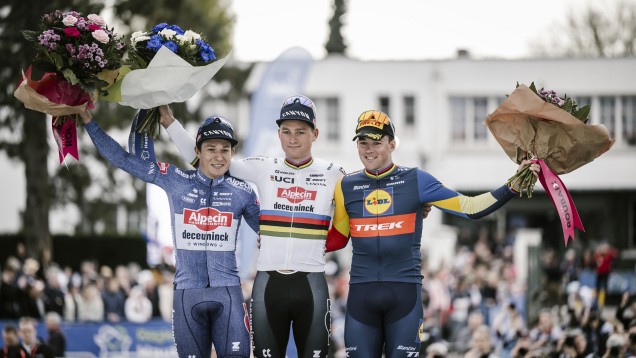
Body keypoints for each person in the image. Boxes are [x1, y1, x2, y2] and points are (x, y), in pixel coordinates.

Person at [325, 110, 540, 357]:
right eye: (363, 143)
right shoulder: (346, 186)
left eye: (377, 142)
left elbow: (471, 208)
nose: (369, 149)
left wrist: (512, 186)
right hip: (361, 297)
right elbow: (338, 238)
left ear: (392, 144)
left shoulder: (416, 180)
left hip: (403, 297)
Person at [159, 96, 346, 358]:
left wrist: (420, 203)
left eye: (301, 132)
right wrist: (169, 122)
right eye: (286, 131)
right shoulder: (264, 167)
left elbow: (365, 203)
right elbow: (208, 157)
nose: (293, 139)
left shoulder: (334, 172)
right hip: (268, 284)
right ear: (278, 134)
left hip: (311, 283)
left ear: (314, 134)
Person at [78, 109, 260, 358]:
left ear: (232, 153)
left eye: (224, 150)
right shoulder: (176, 179)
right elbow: (121, 159)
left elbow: (269, 231)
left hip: (227, 294)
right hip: (187, 295)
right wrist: (88, 121)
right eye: (211, 149)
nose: (218, 156)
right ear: (197, 151)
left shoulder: (243, 192)